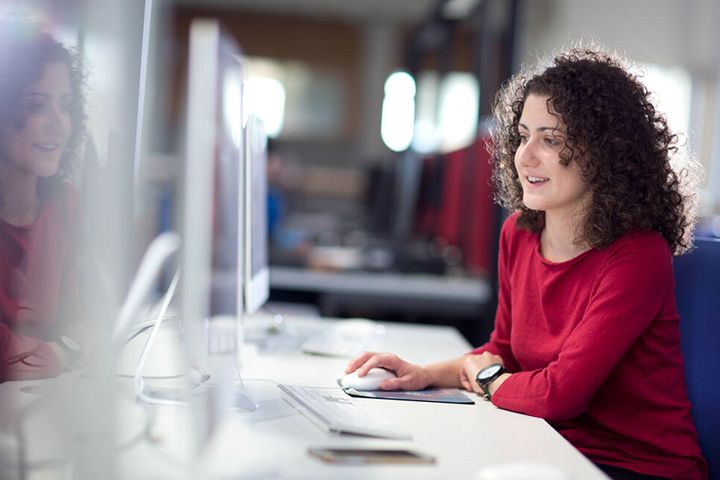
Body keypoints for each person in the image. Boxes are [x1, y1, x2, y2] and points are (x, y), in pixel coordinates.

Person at [347, 47, 707, 480]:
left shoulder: (637, 255)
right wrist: (422, 375)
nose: (524, 155)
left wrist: (489, 380)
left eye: (551, 140)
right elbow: (503, 353)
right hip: (549, 445)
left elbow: (557, 395)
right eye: (522, 135)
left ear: (605, 153)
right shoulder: (519, 233)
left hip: (635, 467)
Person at [0, 22, 85, 381]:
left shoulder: (65, 203)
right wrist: (64, 350)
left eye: (65, 107)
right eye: (36, 105)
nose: (59, 125)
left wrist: (64, 349)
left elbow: (93, 320)